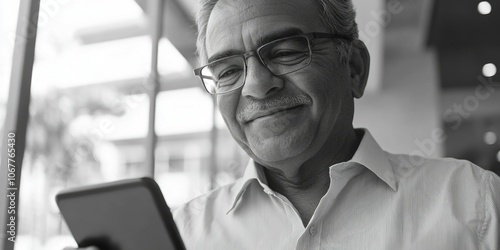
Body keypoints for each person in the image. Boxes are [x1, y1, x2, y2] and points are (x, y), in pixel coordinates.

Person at [68, 0, 500, 249]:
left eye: (286, 51)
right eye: (227, 71)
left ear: (353, 68)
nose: (257, 86)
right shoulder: (184, 234)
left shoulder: (475, 205)